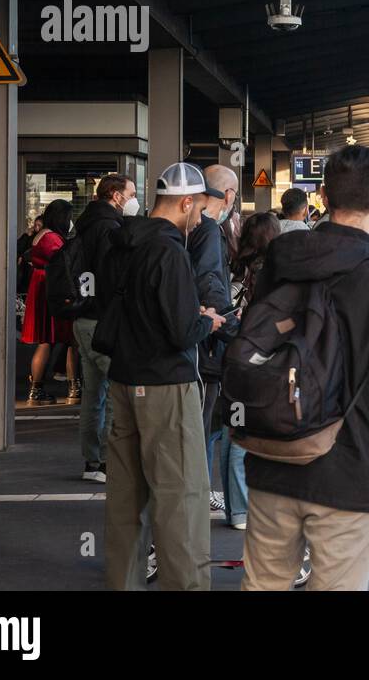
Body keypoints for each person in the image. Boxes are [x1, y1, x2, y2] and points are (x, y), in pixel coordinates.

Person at [241, 145, 369, 591]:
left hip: (273, 454)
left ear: (323, 196)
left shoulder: (282, 258)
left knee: (262, 585)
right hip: (350, 468)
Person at [96, 162, 224, 591]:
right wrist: (208, 321)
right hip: (167, 387)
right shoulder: (170, 251)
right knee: (181, 500)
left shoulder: (123, 243)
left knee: (125, 501)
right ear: (186, 202)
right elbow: (181, 329)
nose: (200, 218)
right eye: (200, 209)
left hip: (123, 381)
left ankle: (124, 583)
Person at [72, 174, 137, 483]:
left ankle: (91, 462)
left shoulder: (81, 226)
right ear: (115, 195)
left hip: (80, 319)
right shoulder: (110, 229)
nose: (133, 200)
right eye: (131, 193)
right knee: (114, 392)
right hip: (104, 321)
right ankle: (111, 462)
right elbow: (114, 276)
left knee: (91, 394)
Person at [220, 211, 280, 531]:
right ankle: (243, 509)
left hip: (235, 353)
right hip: (257, 355)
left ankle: (236, 510)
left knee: (234, 428)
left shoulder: (237, 265)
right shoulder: (268, 270)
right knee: (246, 432)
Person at [188, 164, 240, 524]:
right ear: (229, 197)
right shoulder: (208, 231)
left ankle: (197, 493)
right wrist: (232, 328)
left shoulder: (188, 229)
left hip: (193, 339)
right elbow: (209, 280)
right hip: (205, 344)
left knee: (200, 426)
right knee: (203, 427)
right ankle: (200, 496)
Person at [21, 199, 78, 405]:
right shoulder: (53, 238)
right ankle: (74, 387)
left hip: (40, 288)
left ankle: (36, 389)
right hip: (52, 289)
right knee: (68, 339)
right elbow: (64, 263)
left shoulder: (40, 235)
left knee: (46, 340)